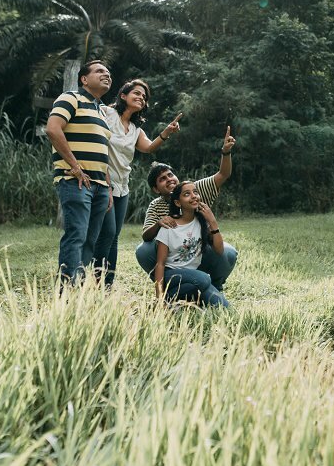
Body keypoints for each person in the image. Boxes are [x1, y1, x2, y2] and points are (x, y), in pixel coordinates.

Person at [93, 79, 181, 287]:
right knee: (105, 235)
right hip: (104, 182)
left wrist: (166, 132)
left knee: (114, 236)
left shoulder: (135, 129)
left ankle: (107, 283)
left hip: (122, 187)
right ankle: (96, 282)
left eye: (144, 97)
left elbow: (149, 147)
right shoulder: (106, 113)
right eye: (137, 93)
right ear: (123, 95)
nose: (141, 97)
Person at [136, 126, 238, 290]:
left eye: (170, 174)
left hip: (198, 251)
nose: (169, 179)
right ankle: (170, 286)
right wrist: (159, 223)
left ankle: (215, 286)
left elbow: (223, 175)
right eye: (162, 179)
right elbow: (146, 236)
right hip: (171, 260)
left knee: (229, 252)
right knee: (143, 250)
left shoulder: (195, 190)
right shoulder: (156, 206)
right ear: (156, 189)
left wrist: (226, 152)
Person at [45, 60, 112, 287]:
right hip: (75, 181)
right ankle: (65, 290)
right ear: (84, 79)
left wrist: (108, 187)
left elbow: (103, 154)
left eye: (108, 72)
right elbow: (52, 129)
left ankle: (79, 291)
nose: (107, 75)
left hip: (100, 186)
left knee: (90, 241)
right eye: (100, 71)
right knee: (77, 236)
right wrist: (75, 166)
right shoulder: (70, 98)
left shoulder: (101, 111)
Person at [153, 180, 230, 308]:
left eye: (195, 192)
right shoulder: (169, 227)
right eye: (187, 194)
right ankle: (165, 301)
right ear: (178, 202)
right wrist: (159, 297)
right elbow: (160, 264)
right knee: (204, 279)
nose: (194, 196)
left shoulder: (201, 222)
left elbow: (220, 250)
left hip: (194, 277)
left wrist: (212, 221)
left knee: (225, 308)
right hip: (172, 275)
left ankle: (183, 302)